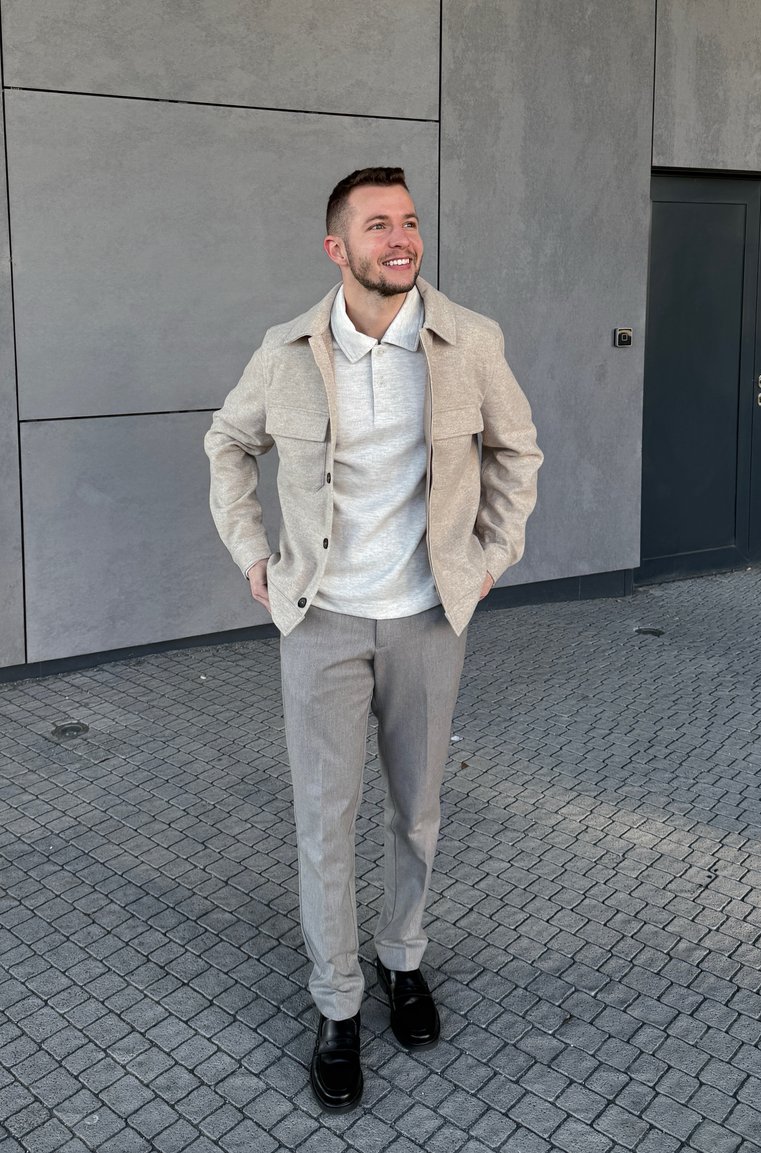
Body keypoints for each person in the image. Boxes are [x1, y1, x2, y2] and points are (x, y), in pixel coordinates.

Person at [204, 167, 542, 1111]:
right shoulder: (286, 353)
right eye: (378, 225)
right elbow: (227, 442)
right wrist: (253, 554)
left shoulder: (470, 341)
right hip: (321, 622)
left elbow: (517, 451)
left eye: (410, 221)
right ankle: (337, 1002)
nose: (401, 239)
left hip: (428, 618)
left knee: (416, 813)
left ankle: (402, 957)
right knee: (326, 819)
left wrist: (489, 557)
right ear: (337, 248)